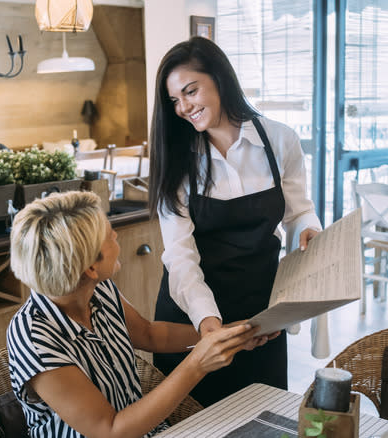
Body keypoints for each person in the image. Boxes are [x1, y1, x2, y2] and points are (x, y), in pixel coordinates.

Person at [149, 36, 324, 406]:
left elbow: (299, 210)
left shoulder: (280, 141)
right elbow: (180, 255)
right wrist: (208, 323)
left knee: (265, 417)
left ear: (220, 77)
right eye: (174, 101)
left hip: (260, 314)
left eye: (190, 91)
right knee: (193, 423)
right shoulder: (178, 159)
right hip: (192, 314)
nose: (183, 108)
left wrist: (309, 228)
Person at [6, 191, 264, 438]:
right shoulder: (35, 339)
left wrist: (227, 334)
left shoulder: (98, 289)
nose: (117, 235)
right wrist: (197, 364)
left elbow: (149, 334)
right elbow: (111, 430)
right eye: (110, 237)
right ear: (91, 267)